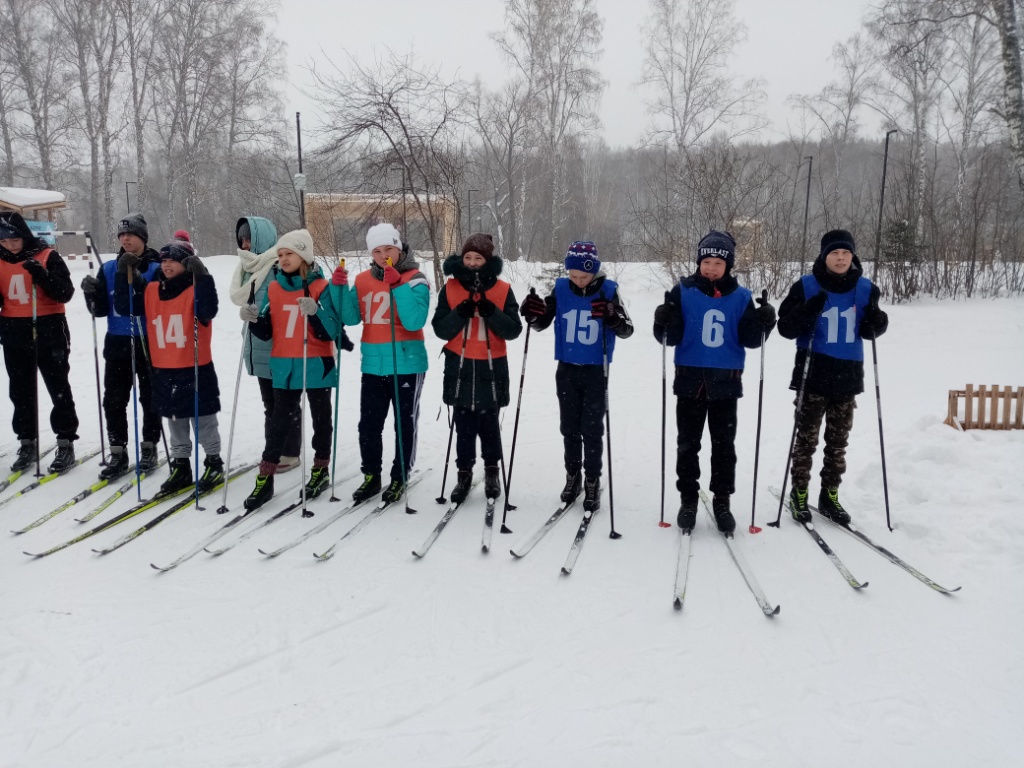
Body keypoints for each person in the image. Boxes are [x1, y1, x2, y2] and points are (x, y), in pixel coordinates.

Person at [652, 230, 776, 534]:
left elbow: (750, 340)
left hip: (726, 385)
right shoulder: (683, 291)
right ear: (698, 262)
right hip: (689, 382)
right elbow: (669, 338)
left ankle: (722, 500)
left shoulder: (742, 297)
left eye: (717, 263)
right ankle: (688, 500)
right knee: (688, 445)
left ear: (728, 266)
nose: (710, 267)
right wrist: (662, 320)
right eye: (706, 261)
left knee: (723, 447)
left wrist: (764, 322)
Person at [777, 229, 888, 524]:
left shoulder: (865, 288)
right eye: (834, 253)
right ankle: (799, 493)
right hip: (813, 373)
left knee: (837, 443)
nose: (840, 259)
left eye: (845, 253)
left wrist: (879, 321)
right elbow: (785, 328)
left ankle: (830, 495)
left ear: (853, 256)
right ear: (824, 256)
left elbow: (869, 328)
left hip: (847, 375)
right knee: (806, 440)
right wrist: (805, 312)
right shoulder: (806, 286)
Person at [519, 241, 633, 512]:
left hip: (596, 369)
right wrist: (532, 313)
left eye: (583, 276)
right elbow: (541, 322)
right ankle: (573, 477)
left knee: (592, 429)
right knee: (569, 427)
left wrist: (613, 316)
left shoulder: (609, 291)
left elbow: (627, 329)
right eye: (573, 275)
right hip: (567, 368)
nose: (578, 281)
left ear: (595, 271)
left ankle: (593, 479)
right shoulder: (560, 289)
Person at [240, 229, 347, 511]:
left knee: (321, 420)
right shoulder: (274, 287)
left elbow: (333, 331)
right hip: (284, 365)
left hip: (316, 363)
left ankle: (320, 470)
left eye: (289, 254)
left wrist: (316, 312)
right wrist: (252, 319)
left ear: (304, 256)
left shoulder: (321, 287)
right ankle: (265, 478)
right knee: (278, 426)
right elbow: (266, 331)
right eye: (281, 254)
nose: (283, 259)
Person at [116, 239, 223, 496]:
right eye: (163, 260)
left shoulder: (195, 289)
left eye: (172, 260)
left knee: (202, 419)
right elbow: (124, 307)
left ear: (185, 264)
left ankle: (213, 461)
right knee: (175, 421)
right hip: (164, 368)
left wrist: (203, 275)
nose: (166, 265)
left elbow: (208, 309)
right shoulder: (153, 290)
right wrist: (123, 275)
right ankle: (181, 464)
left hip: (194, 366)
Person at [333, 222, 430, 503]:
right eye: (377, 251)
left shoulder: (415, 278)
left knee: (404, 423)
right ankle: (371, 476)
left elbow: (414, 321)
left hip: (407, 363)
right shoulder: (363, 280)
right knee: (369, 425)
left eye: (389, 248)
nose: (383, 255)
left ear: (399, 248)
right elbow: (351, 317)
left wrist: (396, 284)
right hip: (373, 365)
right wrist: (337, 290)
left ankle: (400, 476)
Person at [431, 234, 522, 502]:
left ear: (488, 260)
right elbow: (440, 329)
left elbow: (513, 329)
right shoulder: (450, 287)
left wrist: (490, 311)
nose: (472, 263)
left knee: (489, 423)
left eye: (478, 258)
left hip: (490, 366)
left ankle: (492, 471)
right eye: (468, 257)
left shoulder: (503, 289)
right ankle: (463, 473)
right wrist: (460, 311)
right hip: (459, 365)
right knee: (463, 425)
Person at [80, 213, 163, 480]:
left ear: (142, 237)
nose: (125, 238)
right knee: (114, 400)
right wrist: (90, 294)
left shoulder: (157, 266)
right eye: (122, 235)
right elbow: (101, 310)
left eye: (131, 234)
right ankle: (118, 451)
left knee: (150, 399)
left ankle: (149, 447)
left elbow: (163, 304)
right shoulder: (108, 268)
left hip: (148, 342)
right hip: (117, 343)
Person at [0, 211, 80, 474]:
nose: (10, 246)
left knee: (58, 387)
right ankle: (26, 441)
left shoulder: (47, 256)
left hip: (49, 328)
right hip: (14, 331)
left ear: (24, 235)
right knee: (20, 391)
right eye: (4, 241)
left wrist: (42, 275)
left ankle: (66, 441)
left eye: (14, 240)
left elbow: (65, 293)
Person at [227, 216, 301, 473]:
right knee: (270, 403)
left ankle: (290, 452)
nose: (245, 244)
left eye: (249, 238)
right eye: (242, 239)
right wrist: (247, 314)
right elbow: (247, 300)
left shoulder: (277, 265)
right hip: (257, 343)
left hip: (280, 344)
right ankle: (275, 448)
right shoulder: (247, 267)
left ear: (262, 238)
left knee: (285, 403)